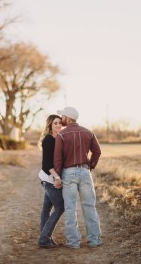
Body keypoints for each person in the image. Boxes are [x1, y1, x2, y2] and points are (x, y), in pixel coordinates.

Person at [53, 107, 102, 249]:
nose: (61, 118)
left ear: (68, 118)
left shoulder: (61, 135)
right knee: (89, 207)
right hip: (85, 172)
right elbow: (97, 152)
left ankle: (73, 242)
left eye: (62, 116)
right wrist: (90, 166)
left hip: (68, 173)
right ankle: (94, 241)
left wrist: (58, 176)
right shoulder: (89, 132)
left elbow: (57, 159)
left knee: (70, 208)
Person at [38, 114, 65, 249]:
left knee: (46, 209)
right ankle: (44, 239)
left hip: (49, 178)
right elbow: (47, 163)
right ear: (50, 125)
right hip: (49, 178)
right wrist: (57, 177)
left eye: (60, 123)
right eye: (55, 123)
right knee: (60, 207)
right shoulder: (49, 139)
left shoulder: (58, 138)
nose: (58, 125)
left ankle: (45, 238)